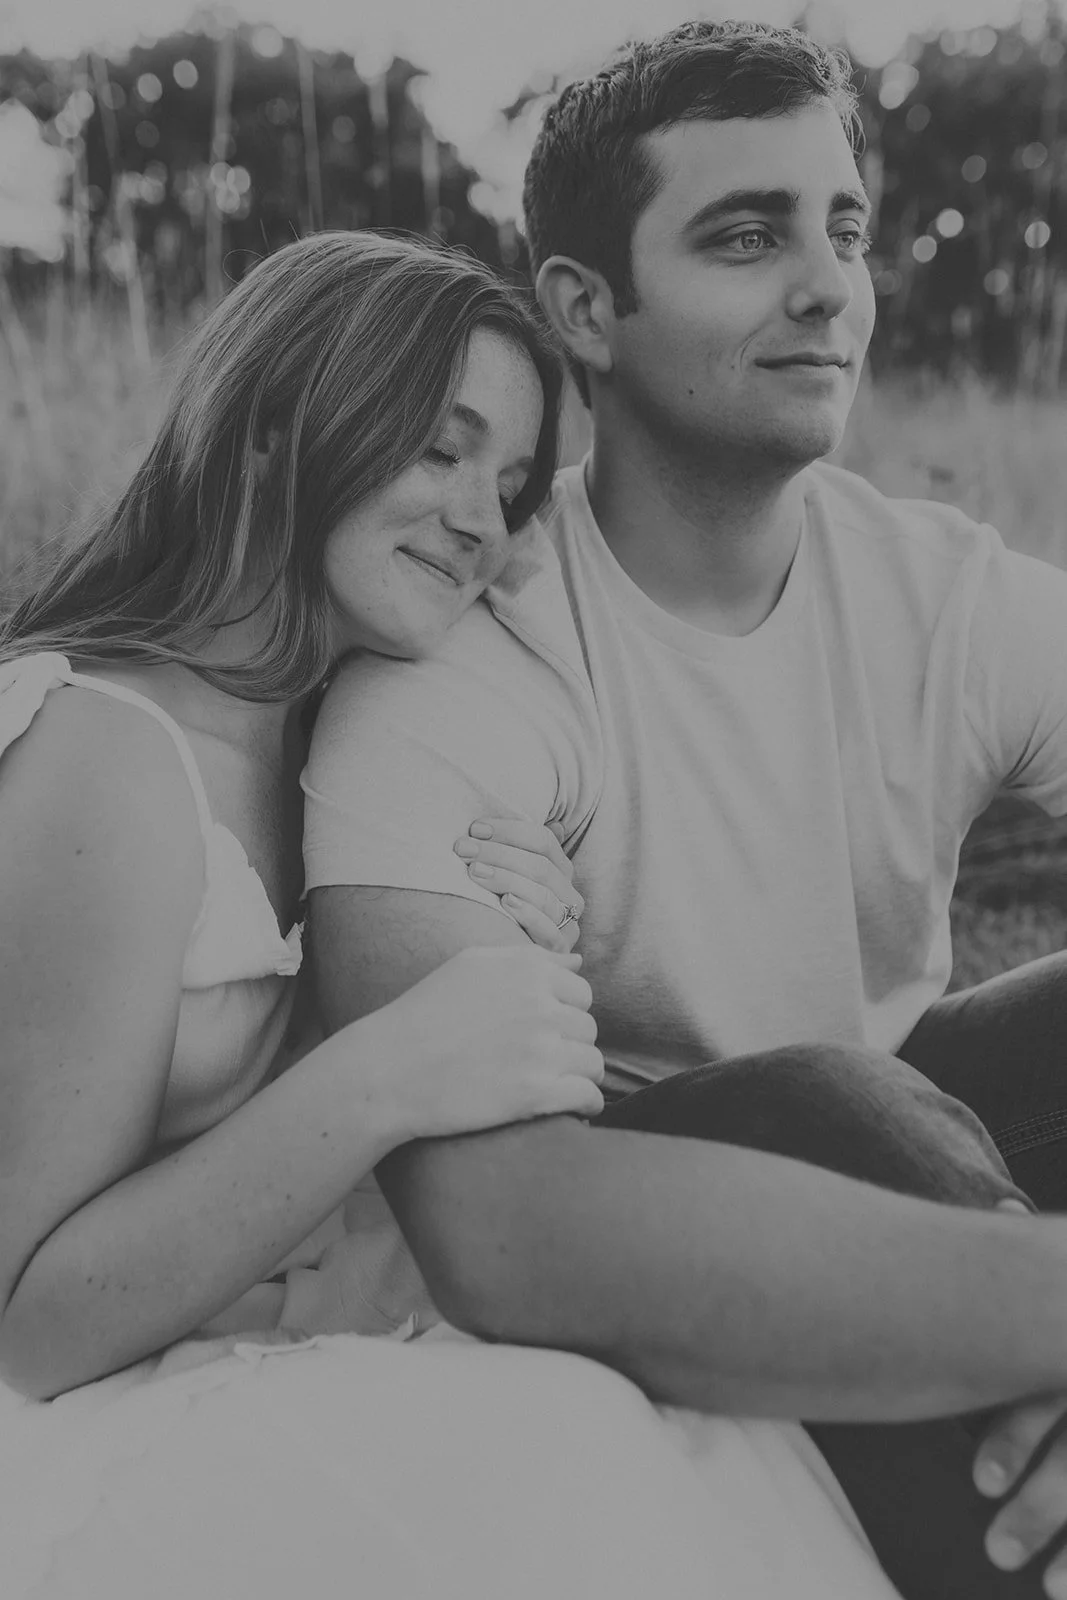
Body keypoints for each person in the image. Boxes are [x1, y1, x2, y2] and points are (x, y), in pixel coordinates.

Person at [303, 22, 1067, 1600]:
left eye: (840, 228)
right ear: (584, 306)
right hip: (657, 1186)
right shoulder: (468, 666)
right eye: (744, 235)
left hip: (926, 1150)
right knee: (830, 1110)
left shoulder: (944, 599)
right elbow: (497, 1225)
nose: (826, 287)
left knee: (918, 1083)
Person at [0, 231, 760, 1600]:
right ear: (273, 430)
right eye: (438, 447)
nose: (485, 517)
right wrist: (391, 1066)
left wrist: (504, 944)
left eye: (514, 480)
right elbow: (29, 1327)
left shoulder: (339, 753)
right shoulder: (106, 758)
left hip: (285, 1326)